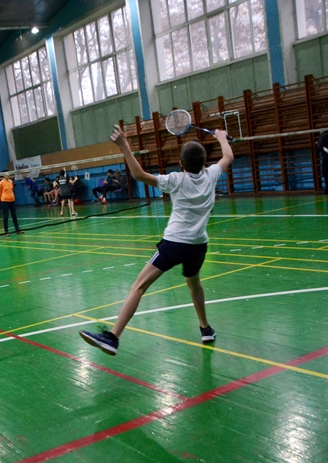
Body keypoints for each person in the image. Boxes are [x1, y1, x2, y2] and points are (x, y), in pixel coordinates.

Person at [79, 125, 233, 355]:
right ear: (204, 164)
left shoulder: (176, 180)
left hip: (174, 244)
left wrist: (124, 146)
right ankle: (205, 328)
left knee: (138, 286)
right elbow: (228, 156)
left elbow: (139, 175)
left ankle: (113, 337)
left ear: (180, 164)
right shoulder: (211, 176)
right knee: (194, 283)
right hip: (198, 245)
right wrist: (221, 137)